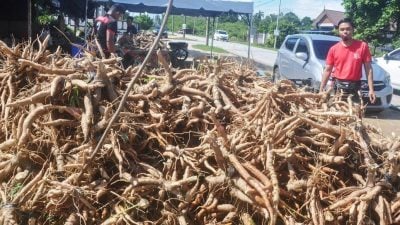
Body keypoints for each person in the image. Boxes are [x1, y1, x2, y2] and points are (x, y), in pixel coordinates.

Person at [319, 18, 376, 104]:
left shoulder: (362, 46)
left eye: (348, 29)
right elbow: (327, 70)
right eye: (342, 29)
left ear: (353, 30)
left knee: (355, 114)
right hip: (338, 88)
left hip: (355, 88)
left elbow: (369, 69)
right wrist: (321, 89)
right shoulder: (333, 49)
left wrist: (371, 90)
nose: (345, 31)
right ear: (338, 31)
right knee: (337, 113)